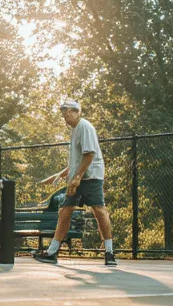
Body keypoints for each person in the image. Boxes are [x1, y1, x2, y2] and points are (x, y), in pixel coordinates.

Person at [34, 99, 116, 266]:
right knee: (65, 211)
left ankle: (110, 253)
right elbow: (77, 160)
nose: (65, 115)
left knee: (99, 211)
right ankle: (52, 252)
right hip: (78, 178)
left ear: (77, 112)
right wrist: (59, 175)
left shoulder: (85, 127)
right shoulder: (75, 130)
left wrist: (77, 177)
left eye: (68, 112)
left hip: (91, 177)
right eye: (63, 113)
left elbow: (89, 155)